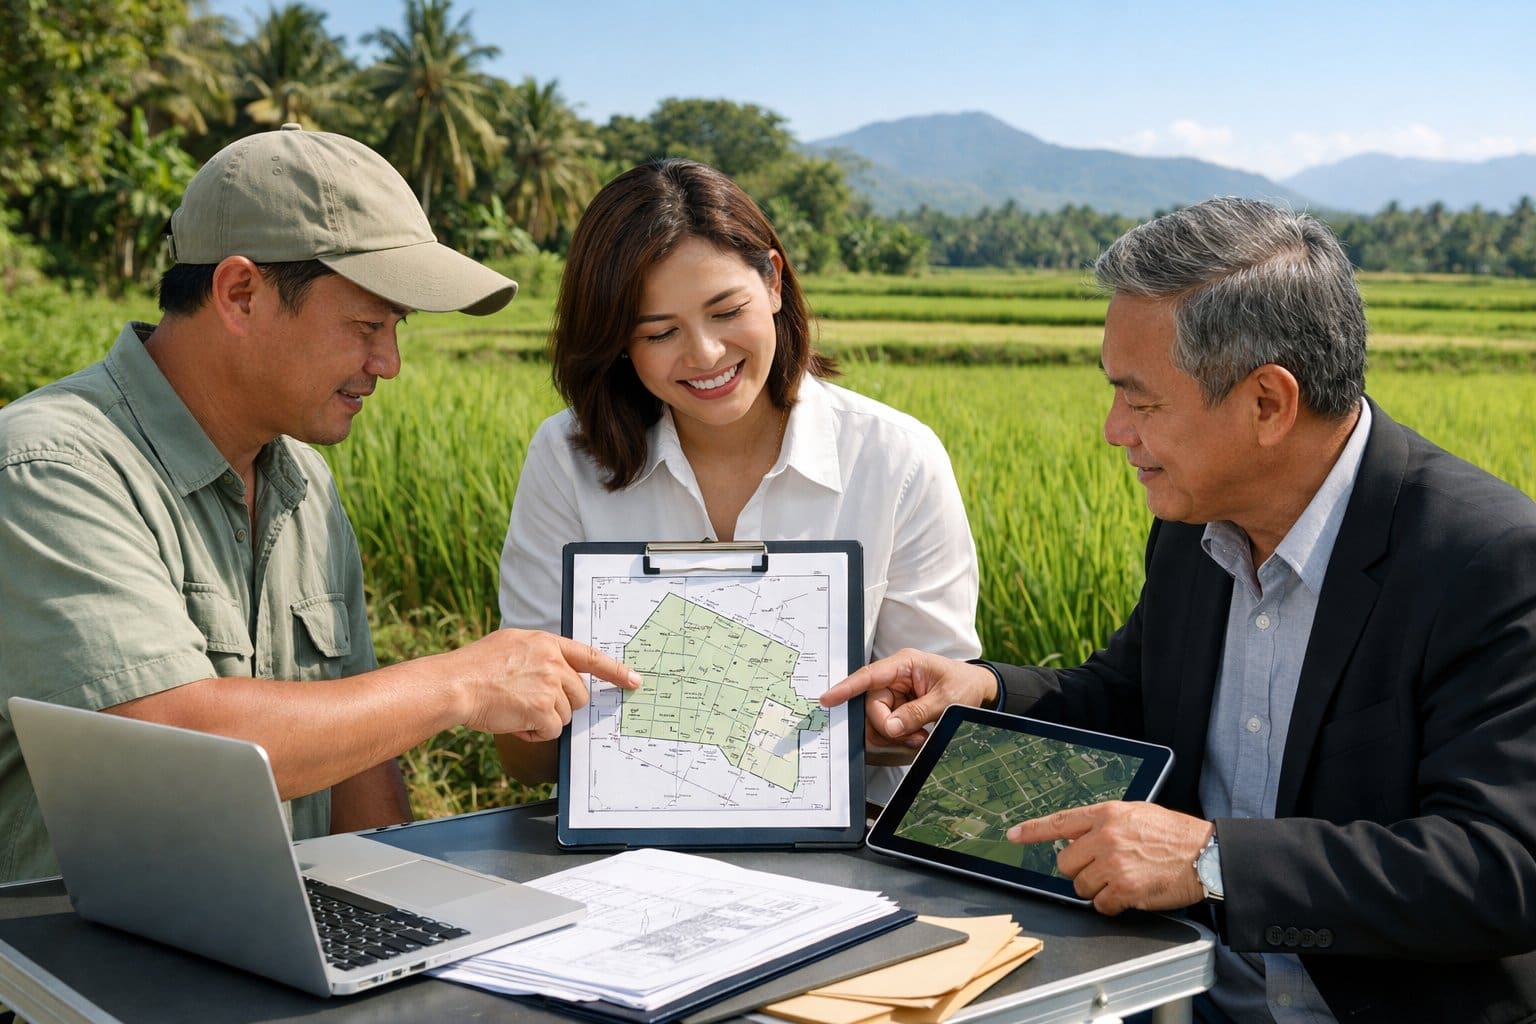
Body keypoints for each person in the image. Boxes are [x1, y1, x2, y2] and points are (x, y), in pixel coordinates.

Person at [822, 197, 1536, 1022]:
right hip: (1198, 1002)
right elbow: (1133, 696)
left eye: (1143, 401)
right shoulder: (1197, 528)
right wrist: (980, 690)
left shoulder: (1487, 560)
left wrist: (1211, 860)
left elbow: (1506, 863)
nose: (1113, 429)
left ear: (1268, 403)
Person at [0, 124, 640, 885]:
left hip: (276, 938)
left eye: (395, 329)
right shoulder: (50, 467)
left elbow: (356, 764)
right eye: (367, 326)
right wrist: (459, 682)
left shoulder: (302, 478)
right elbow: (171, 744)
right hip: (86, 965)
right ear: (240, 294)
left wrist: (407, 914)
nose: (388, 364)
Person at [496, 158, 980, 804]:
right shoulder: (566, 459)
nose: (705, 355)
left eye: (726, 311)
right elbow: (522, 757)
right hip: (631, 850)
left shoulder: (897, 462)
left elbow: (938, 724)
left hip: (850, 843)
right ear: (617, 343)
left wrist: (692, 710)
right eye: (660, 332)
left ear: (774, 281)